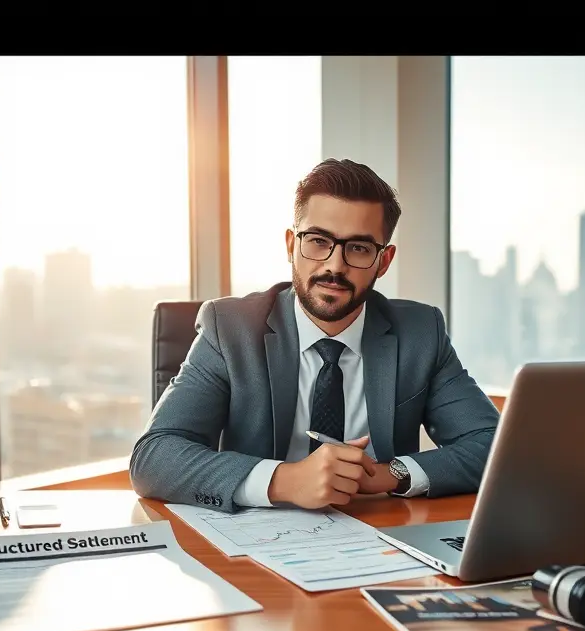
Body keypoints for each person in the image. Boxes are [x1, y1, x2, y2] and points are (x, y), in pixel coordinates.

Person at [130, 158, 500, 512]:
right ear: (292, 245)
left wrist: (390, 474)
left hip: (381, 531)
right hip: (257, 539)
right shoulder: (229, 329)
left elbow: (494, 446)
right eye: (319, 241)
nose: (334, 266)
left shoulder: (421, 332)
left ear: (383, 261)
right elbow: (154, 457)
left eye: (358, 248)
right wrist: (285, 481)